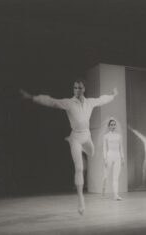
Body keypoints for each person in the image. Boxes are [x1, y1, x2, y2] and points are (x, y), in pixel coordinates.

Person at [19, 80, 118, 215]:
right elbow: (52, 101)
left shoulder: (89, 102)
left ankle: (79, 147)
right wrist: (32, 98)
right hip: (76, 138)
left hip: (86, 136)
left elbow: (102, 100)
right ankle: (81, 199)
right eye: (75, 87)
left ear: (84, 89)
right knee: (79, 168)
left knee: (92, 152)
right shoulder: (69, 103)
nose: (77, 89)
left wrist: (113, 95)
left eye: (79, 87)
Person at [101, 117, 125, 200]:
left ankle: (116, 195)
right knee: (105, 176)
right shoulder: (106, 136)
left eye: (114, 124)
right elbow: (104, 148)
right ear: (108, 126)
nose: (113, 126)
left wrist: (122, 158)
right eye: (111, 125)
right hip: (109, 156)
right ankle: (103, 187)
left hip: (117, 156)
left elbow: (121, 147)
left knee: (115, 177)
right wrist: (105, 159)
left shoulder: (119, 136)